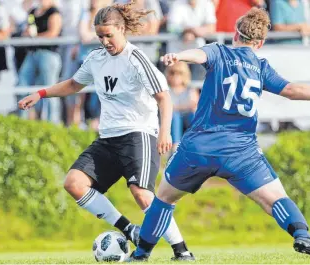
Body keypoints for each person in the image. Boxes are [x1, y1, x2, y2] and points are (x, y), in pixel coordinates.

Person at [129, 7, 310, 261]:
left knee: (165, 199)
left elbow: (199, 54)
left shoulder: (219, 51)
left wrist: (179, 55)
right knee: (276, 199)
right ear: (259, 43)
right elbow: (291, 90)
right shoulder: (260, 66)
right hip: (241, 151)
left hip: (199, 148)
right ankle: (302, 234)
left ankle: (140, 254)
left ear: (235, 33)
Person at [18, 1, 194, 261]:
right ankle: (130, 230)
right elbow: (73, 84)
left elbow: (164, 97)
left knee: (143, 195)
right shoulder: (96, 58)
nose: (104, 41)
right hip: (108, 138)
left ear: (122, 29)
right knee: (74, 183)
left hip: (139, 134)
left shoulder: (136, 59)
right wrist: (41, 93)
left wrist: (165, 133)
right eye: (100, 36)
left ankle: (182, 250)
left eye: (108, 35)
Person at [166, 62, 199, 153]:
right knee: (175, 116)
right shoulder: (166, 90)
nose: (175, 76)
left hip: (187, 117)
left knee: (193, 115)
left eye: (179, 73)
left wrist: (178, 107)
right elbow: (168, 108)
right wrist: (185, 106)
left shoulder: (190, 89)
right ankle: (175, 146)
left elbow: (194, 106)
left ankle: (195, 143)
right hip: (173, 119)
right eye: (172, 72)